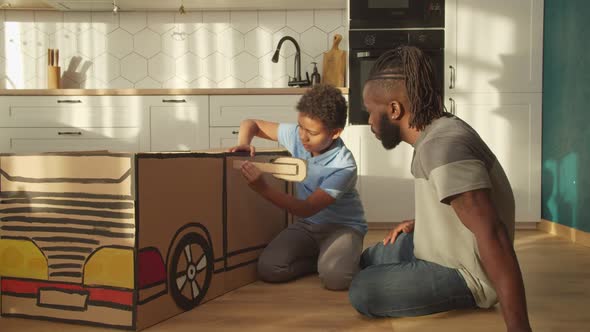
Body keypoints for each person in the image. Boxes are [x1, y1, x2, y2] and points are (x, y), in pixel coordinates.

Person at [348, 46, 532, 332]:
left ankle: (471, 295)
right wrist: (422, 223)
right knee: (370, 258)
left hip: (464, 273)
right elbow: (458, 200)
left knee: (363, 290)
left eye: (371, 111)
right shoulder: (435, 131)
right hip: (441, 247)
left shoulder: (444, 146)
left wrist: (519, 328)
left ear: (394, 110)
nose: (370, 120)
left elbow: (492, 233)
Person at [228, 84, 366, 290]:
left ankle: (346, 259)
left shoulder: (344, 166)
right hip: (307, 226)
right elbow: (252, 123)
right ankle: (320, 262)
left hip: (342, 228)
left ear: (335, 133)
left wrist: (262, 188)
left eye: (311, 132)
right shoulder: (298, 136)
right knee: (269, 268)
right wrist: (244, 142)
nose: (302, 136)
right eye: (300, 126)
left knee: (336, 280)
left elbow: (307, 207)